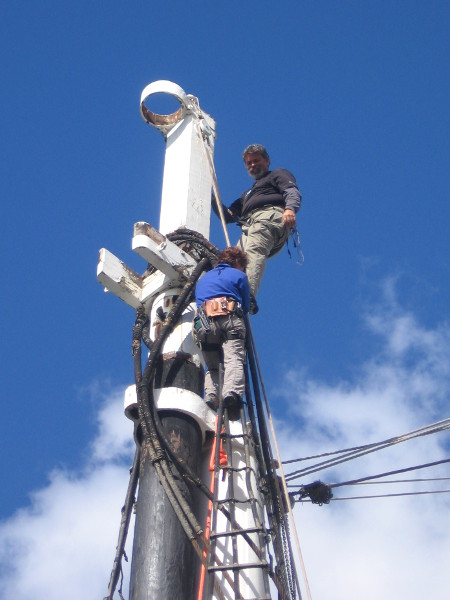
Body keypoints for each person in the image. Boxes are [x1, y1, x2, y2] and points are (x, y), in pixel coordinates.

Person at [213, 144, 302, 298]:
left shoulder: (277, 175)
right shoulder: (247, 194)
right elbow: (227, 215)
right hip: (249, 226)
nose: (253, 165)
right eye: (249, 163)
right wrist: (212, 197)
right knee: (232, 261)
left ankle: (246, 297)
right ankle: (226, 297)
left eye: (256, 161)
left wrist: (290, 209)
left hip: (268, 218)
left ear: (267, 161)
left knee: (253, 252)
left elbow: (291, 192)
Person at [192, 247, 250, 420]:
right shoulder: (239, 276)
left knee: (212, 365)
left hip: (205, 324)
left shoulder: (203, 279)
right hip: (229, 318)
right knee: (233, 358)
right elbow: (246, 306)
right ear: (237, 262)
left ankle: (212, 396)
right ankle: (232, 393)